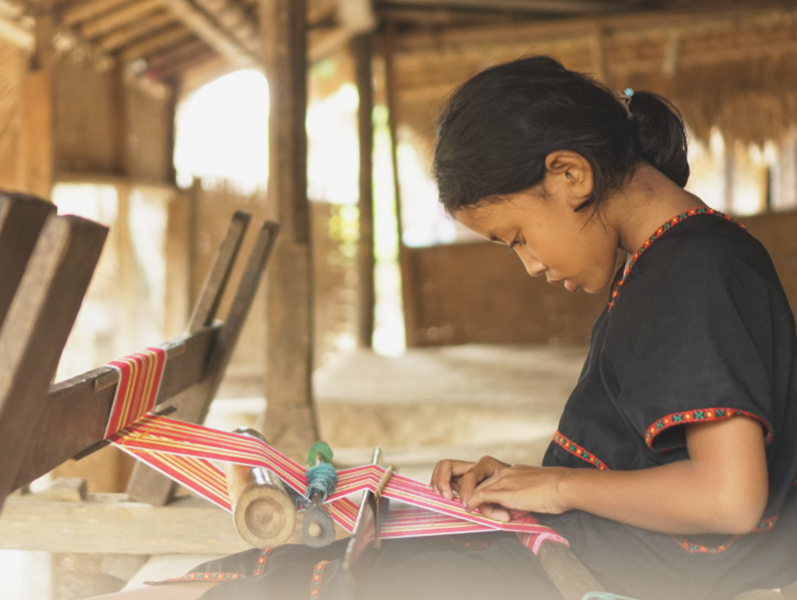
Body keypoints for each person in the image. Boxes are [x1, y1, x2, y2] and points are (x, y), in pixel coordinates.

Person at [90, 55, 797, 600]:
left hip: (635, 569)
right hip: (608, 545)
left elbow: (728, 498)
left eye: (516, 234)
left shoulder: (694, 272)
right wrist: (533, 481)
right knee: (299, 570)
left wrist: (556, 490)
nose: (528, 264)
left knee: (314, 581)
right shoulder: (668, 263)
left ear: (570, 175)